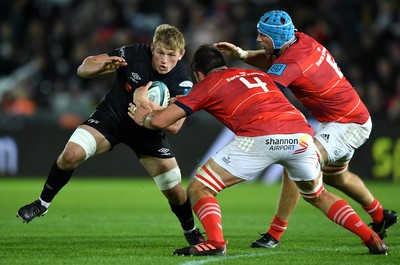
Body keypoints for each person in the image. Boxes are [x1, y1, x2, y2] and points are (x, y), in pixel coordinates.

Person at [128, 44, 388, 256]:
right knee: (318, 195)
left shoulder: (207, 85)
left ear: (198, 73)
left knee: (200, 188)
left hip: (261, 136)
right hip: (301, 135)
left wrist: (143, 113)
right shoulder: (258, 75)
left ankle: (216, 243)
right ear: (224, 65)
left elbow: (161, 122)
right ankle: (371, 238)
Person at [214, 10, 398, 249]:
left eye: (263, 35)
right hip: (349, 117)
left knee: (296, 158)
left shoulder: (294, 61)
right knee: (336, 176)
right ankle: (380, 215)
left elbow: (265, 90)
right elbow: (273, 60)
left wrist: (222, 86)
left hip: (347, 124)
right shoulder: (301, 40)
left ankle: (275, 233)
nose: (258, 39)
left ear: (277, 39)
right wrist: (242, 54)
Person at [16, 24, 205, 245]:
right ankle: (42, 203)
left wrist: (143, 102)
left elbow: (174, 127)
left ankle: (191, 231)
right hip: (112, 118)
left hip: (149, 133)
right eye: (161, 52)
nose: (165, 60)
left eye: (171, 55)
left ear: (181, 54)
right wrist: (101, 65)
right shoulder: (135, 53)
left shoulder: (182, 81)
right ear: (152, 48)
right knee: (70, 155)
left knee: (174, 190)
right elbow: (83, 69)